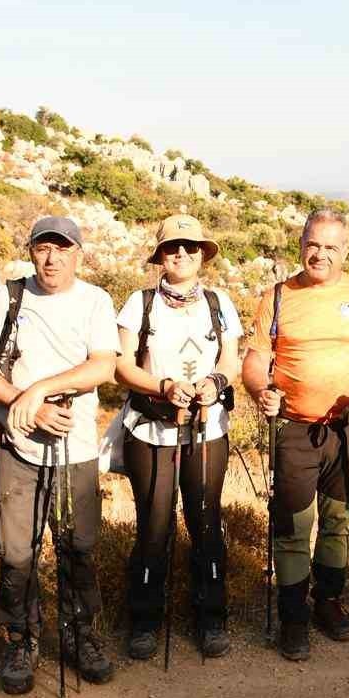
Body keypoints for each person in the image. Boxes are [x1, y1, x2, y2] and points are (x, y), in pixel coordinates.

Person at [0, 216, 120, 694]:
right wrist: (24, 407)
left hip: (74, 451)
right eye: (42, 248)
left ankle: (81, 635)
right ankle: (22, 639)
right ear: (31, 251)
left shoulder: (95, 301)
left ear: (79, 253)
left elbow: (102, 366)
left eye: (62, 248)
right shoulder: (5, 298)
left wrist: (41, 390)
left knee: (79, 548)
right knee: (16, 553)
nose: (52, 258)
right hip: (16, 447)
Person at [241, 208, 349, 661]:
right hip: (294, 427)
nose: (319, 254)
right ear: (301, 244)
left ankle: (328, 602)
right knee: (291, 526)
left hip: (347, 428)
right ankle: (292, 618)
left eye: (330, 247)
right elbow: (253, 362)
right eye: (313, 244)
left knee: (338, 521)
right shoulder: (279, 297)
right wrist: (260, 390)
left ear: (345, 252)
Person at [113, 214, 242, 660]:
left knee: (206, 522)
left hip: (207, 429)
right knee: (154, 525)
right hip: (150, 431)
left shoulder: (219, 302)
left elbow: (230, 360)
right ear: (160, 256)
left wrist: (216, 385)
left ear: (203, 253)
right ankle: (145, 620)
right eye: (172, 248)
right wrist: (164, 387)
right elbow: (123, 366)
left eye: (190, 247)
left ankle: (211, 617)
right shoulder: (139, 302)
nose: (182, 254)